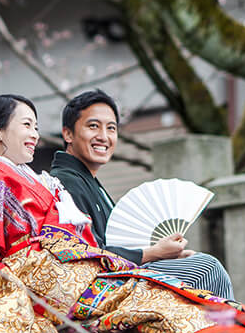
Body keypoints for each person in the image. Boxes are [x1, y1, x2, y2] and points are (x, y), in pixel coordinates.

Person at [0, 94, 245, 333]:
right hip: (37, 270)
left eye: (35, 125)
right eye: (26, 125)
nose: (34, 133)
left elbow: (68, 232)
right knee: (139, 294)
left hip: (68, 263)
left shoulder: (37, 178)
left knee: (144, 294)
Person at [50, 89, 235, 300]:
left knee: (198, 261)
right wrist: (154, 253)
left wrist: (168, 255)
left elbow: (117, 245)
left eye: (111, 128)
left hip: (119, 274)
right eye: (93, 126)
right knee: (205, 269)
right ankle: (234, 329)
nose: (104, 136)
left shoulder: (85, 180)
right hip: (99, 288)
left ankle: (231, 328)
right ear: (68, 134)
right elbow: (89, 253)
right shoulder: (64, 182)